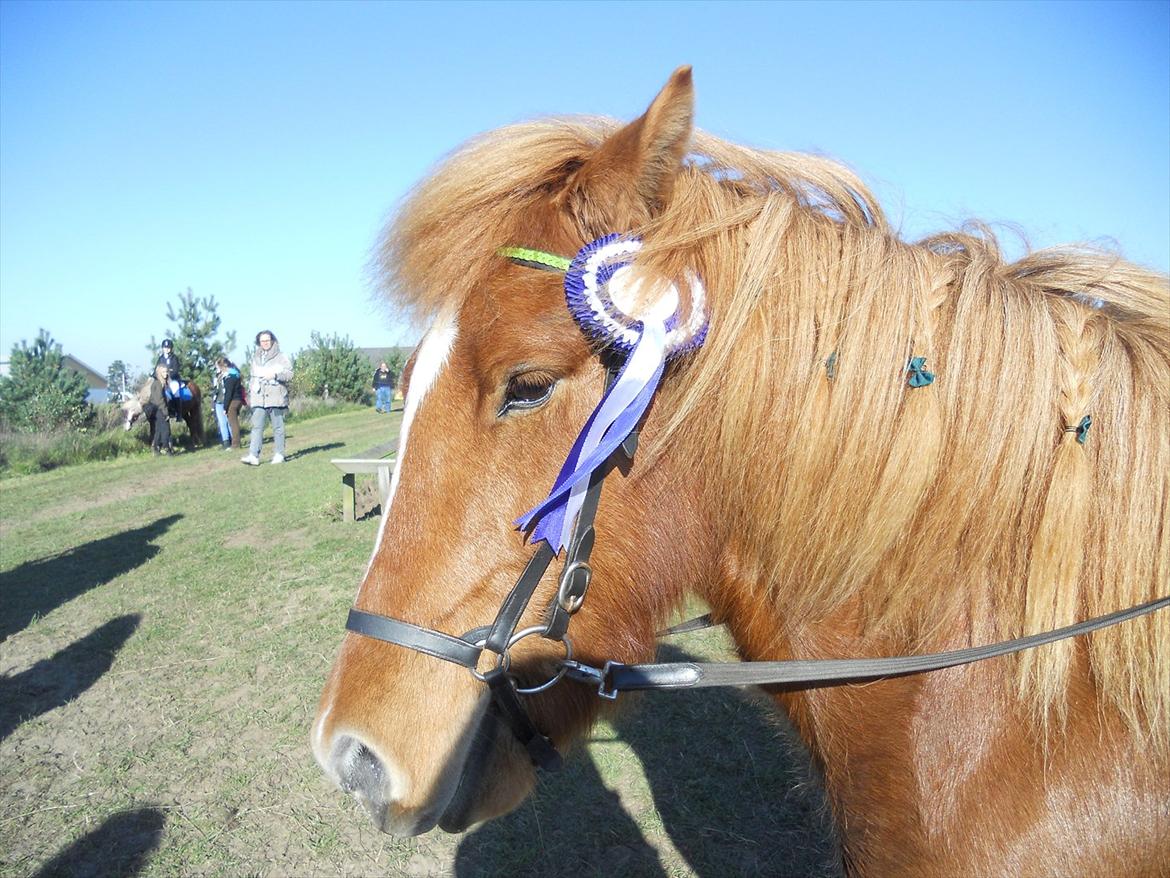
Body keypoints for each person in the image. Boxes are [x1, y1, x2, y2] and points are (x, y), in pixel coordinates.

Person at [241, 329, 293, 466]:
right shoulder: (255, 358)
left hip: (276, 397)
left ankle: (279, 454)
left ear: (272, 341)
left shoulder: (281, 357)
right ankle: (253, 455)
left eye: (267, 340)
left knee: (278, 427)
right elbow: (252, 376)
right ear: (259, 342)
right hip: (259, 397)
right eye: (262, 341)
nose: (265, 343)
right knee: (257, 427)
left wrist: (275, 376)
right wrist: (252, 390)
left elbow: (289, 374)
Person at [142, 364, 173, 456]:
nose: (166, 374)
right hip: (158, 410)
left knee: (158, 430)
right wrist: (166, 412)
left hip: (157, 409)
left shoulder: (160, 383)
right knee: (165, 429)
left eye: (167, 372)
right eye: (163, 372)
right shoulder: (158, 383)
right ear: (159, 373)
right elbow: (159, 400)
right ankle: (167, 449)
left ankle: (156, 449)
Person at [217, 356, 244, 450]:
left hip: (233, 402)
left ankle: (235, 444)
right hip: (238, 400)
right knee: (234, 422)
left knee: (233, 424)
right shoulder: (236, 374)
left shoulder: (229, 377)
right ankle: (236, 443)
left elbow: (228, 394)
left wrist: (225, 408)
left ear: (222, 367)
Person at [156, 339, 182, 418]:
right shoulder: (160, 358)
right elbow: (156, 369)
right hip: (162, 379)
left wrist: (168, 376)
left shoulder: (174, 358)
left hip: (173, 379)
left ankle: (178, 412)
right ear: (162, 348)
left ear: (171, 349)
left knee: (175, 390)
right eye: (165, 347)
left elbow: (176, 370)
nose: (166, 349)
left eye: (168, 348)